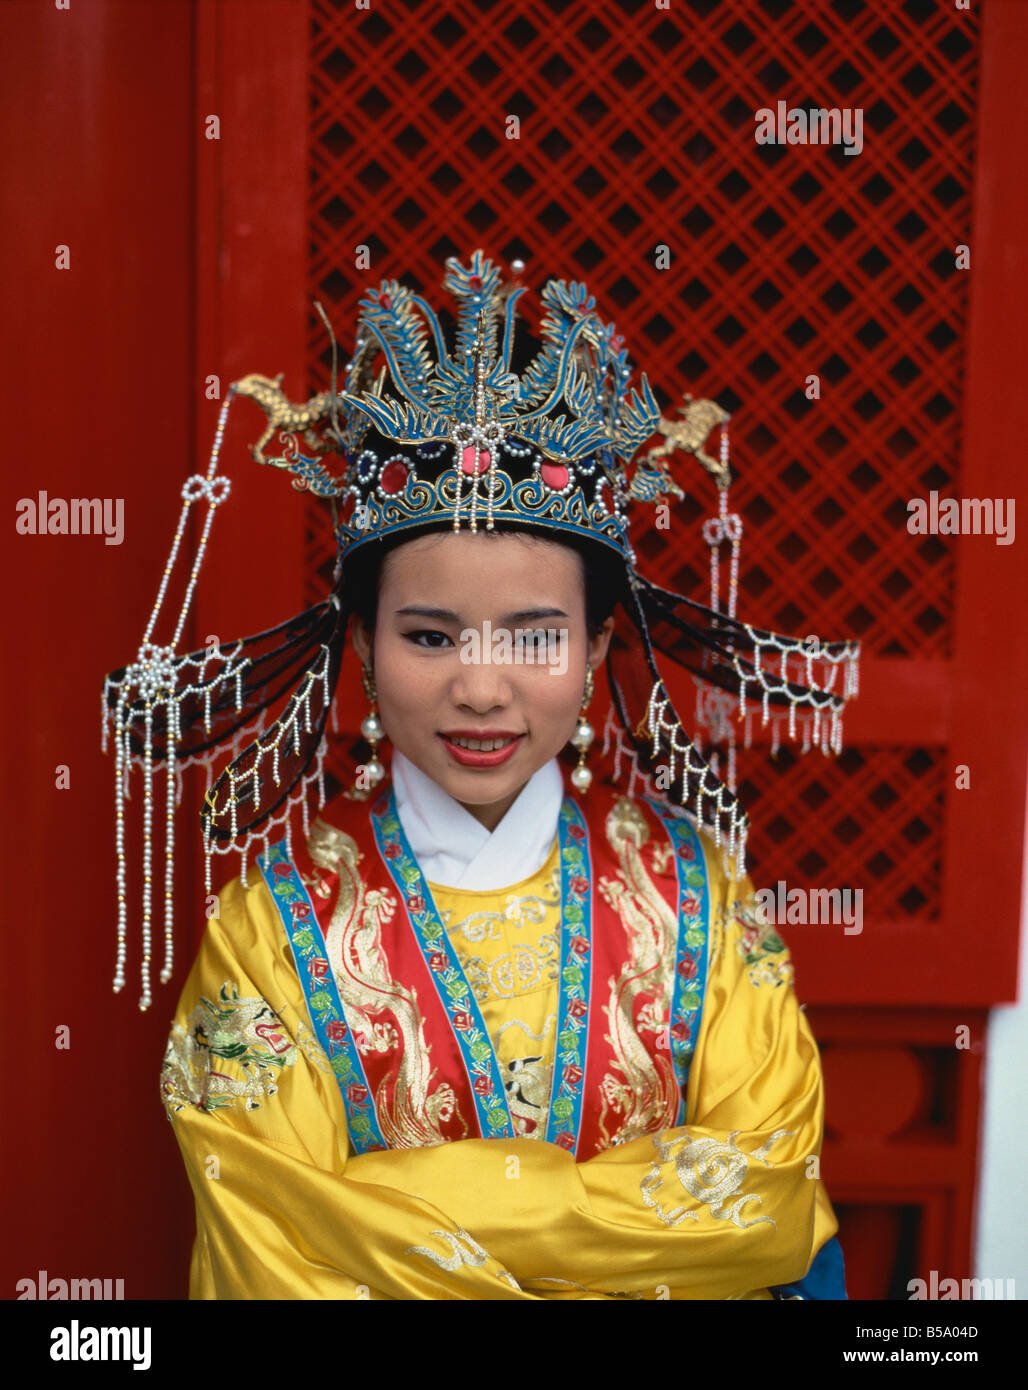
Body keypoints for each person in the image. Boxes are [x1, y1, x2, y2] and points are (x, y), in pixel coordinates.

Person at [107, 251, 857, 1300]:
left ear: (597, 649)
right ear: (362, 647)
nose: (480, 687)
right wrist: (632, 1240)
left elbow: (769, 1201)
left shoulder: (696, 904)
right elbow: (270, 1248)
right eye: (429, 634)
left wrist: (399, 1210)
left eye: (534, 637)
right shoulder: (273, 929)